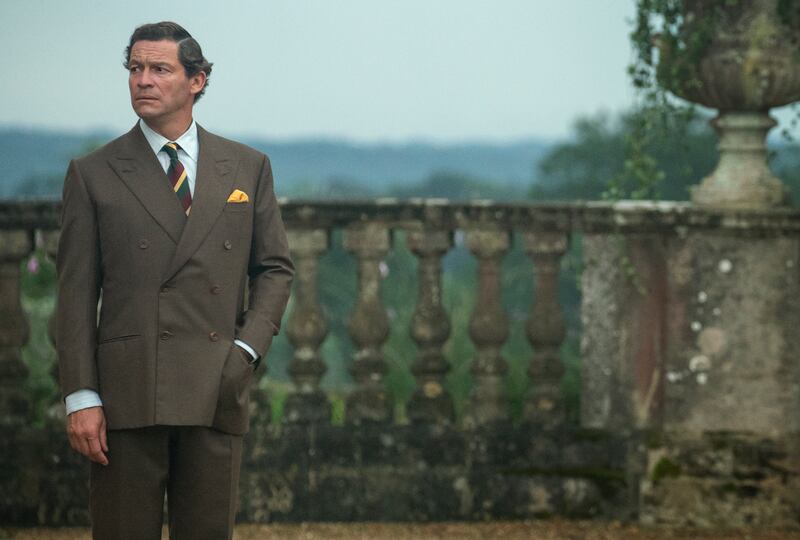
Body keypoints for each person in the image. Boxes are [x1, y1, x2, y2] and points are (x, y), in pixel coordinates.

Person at [56, 21, 294, 539]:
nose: (143, 80)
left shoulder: (248, 168)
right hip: (126, 395)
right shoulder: (93, 173)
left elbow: (274, 268)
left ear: (197, 81)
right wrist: (80, 396)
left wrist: (246, 352)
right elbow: (74, 296)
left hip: (216, 385)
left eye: (159, 69)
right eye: (135, 68)